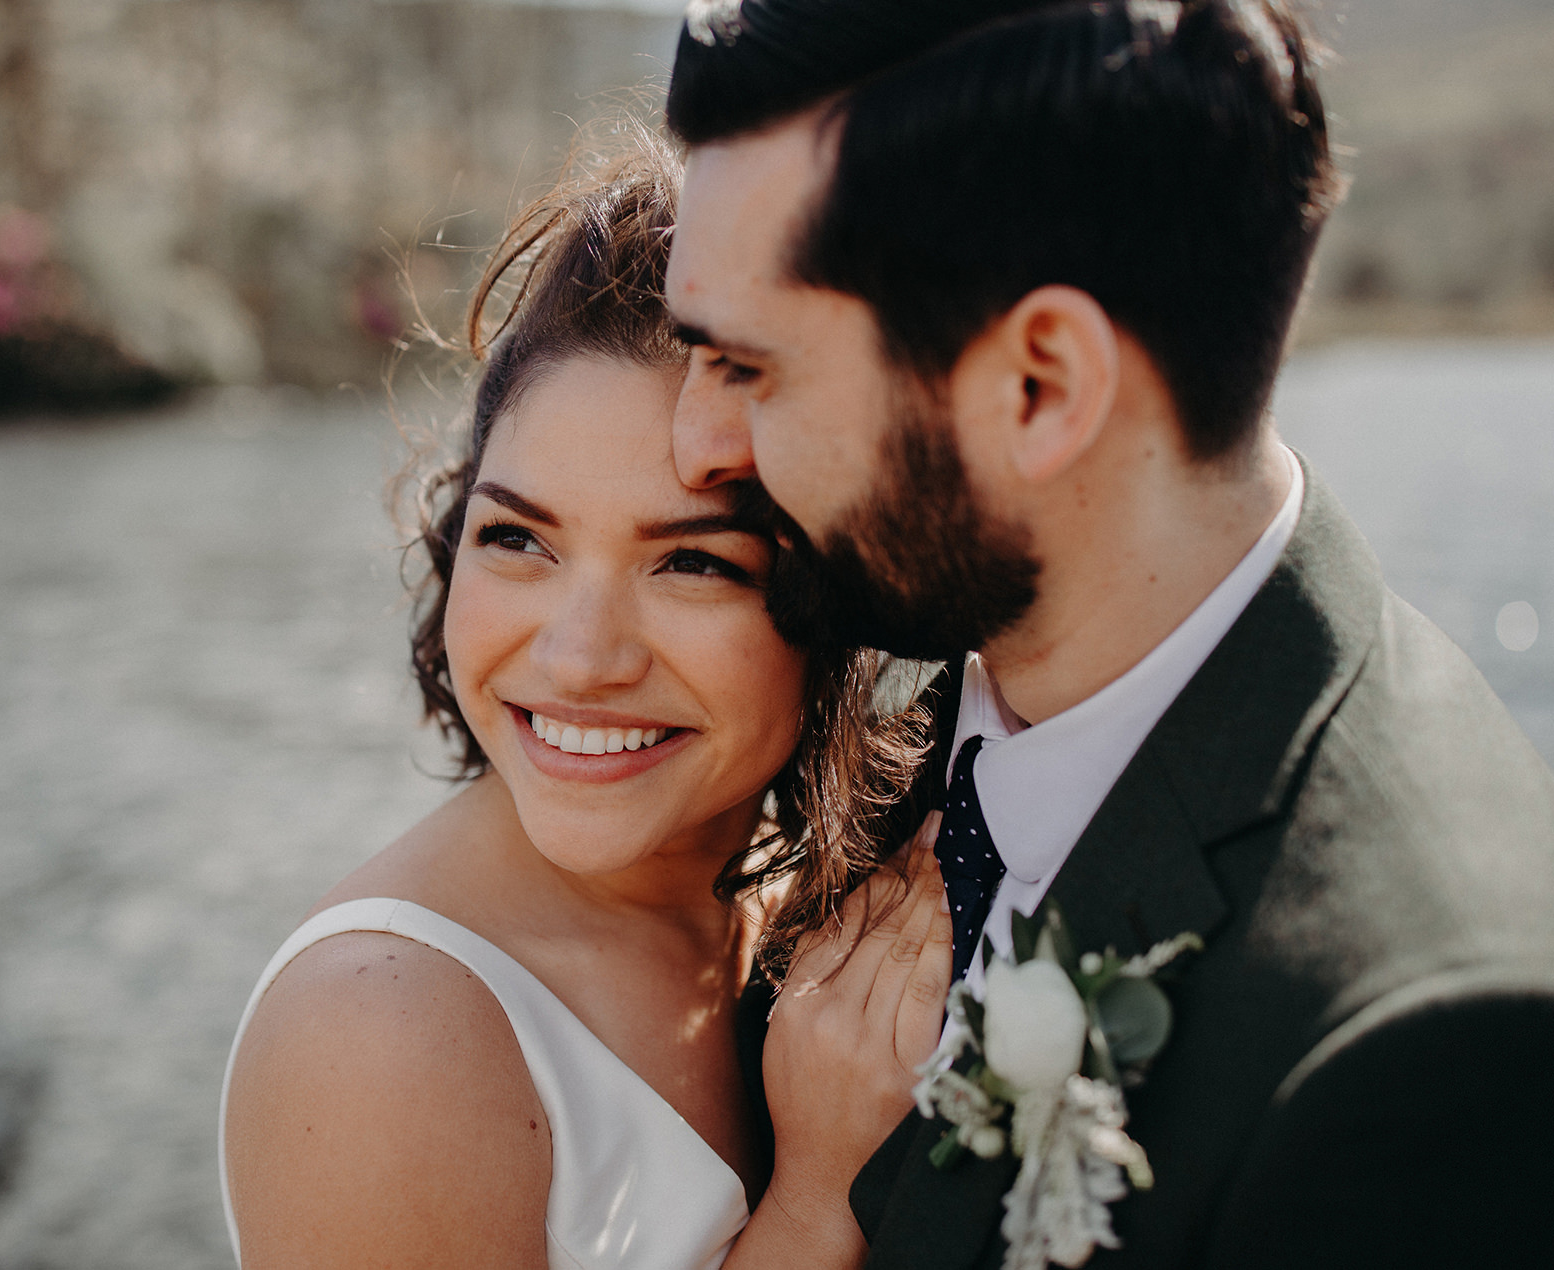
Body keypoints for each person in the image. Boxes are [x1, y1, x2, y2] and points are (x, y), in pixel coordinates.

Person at [661, 0, 1554, 1266]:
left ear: (1041, 387)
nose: (691, 449)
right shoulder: (892, 725)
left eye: (749, 369)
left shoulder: (1419, 1059)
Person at [219, 128, 956, 1269]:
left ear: (832, 607)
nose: (576, 657)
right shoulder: (379, 1030)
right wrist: (815, 1197)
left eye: (693, 562)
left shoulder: (809, 884)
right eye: (517, 537)